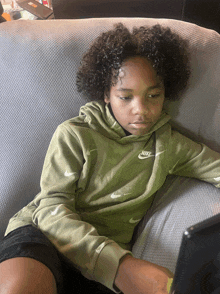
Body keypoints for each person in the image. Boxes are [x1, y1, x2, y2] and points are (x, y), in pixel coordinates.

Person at [0, 23, 219, 294]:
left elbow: (215, 168)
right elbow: (50, 208)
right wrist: (122, 266)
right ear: (106, 94)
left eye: (154, 95)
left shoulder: (169, 145)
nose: (141, 110)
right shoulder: (74, 135)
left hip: (102, 267)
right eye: (125, 97)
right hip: (45, 236)